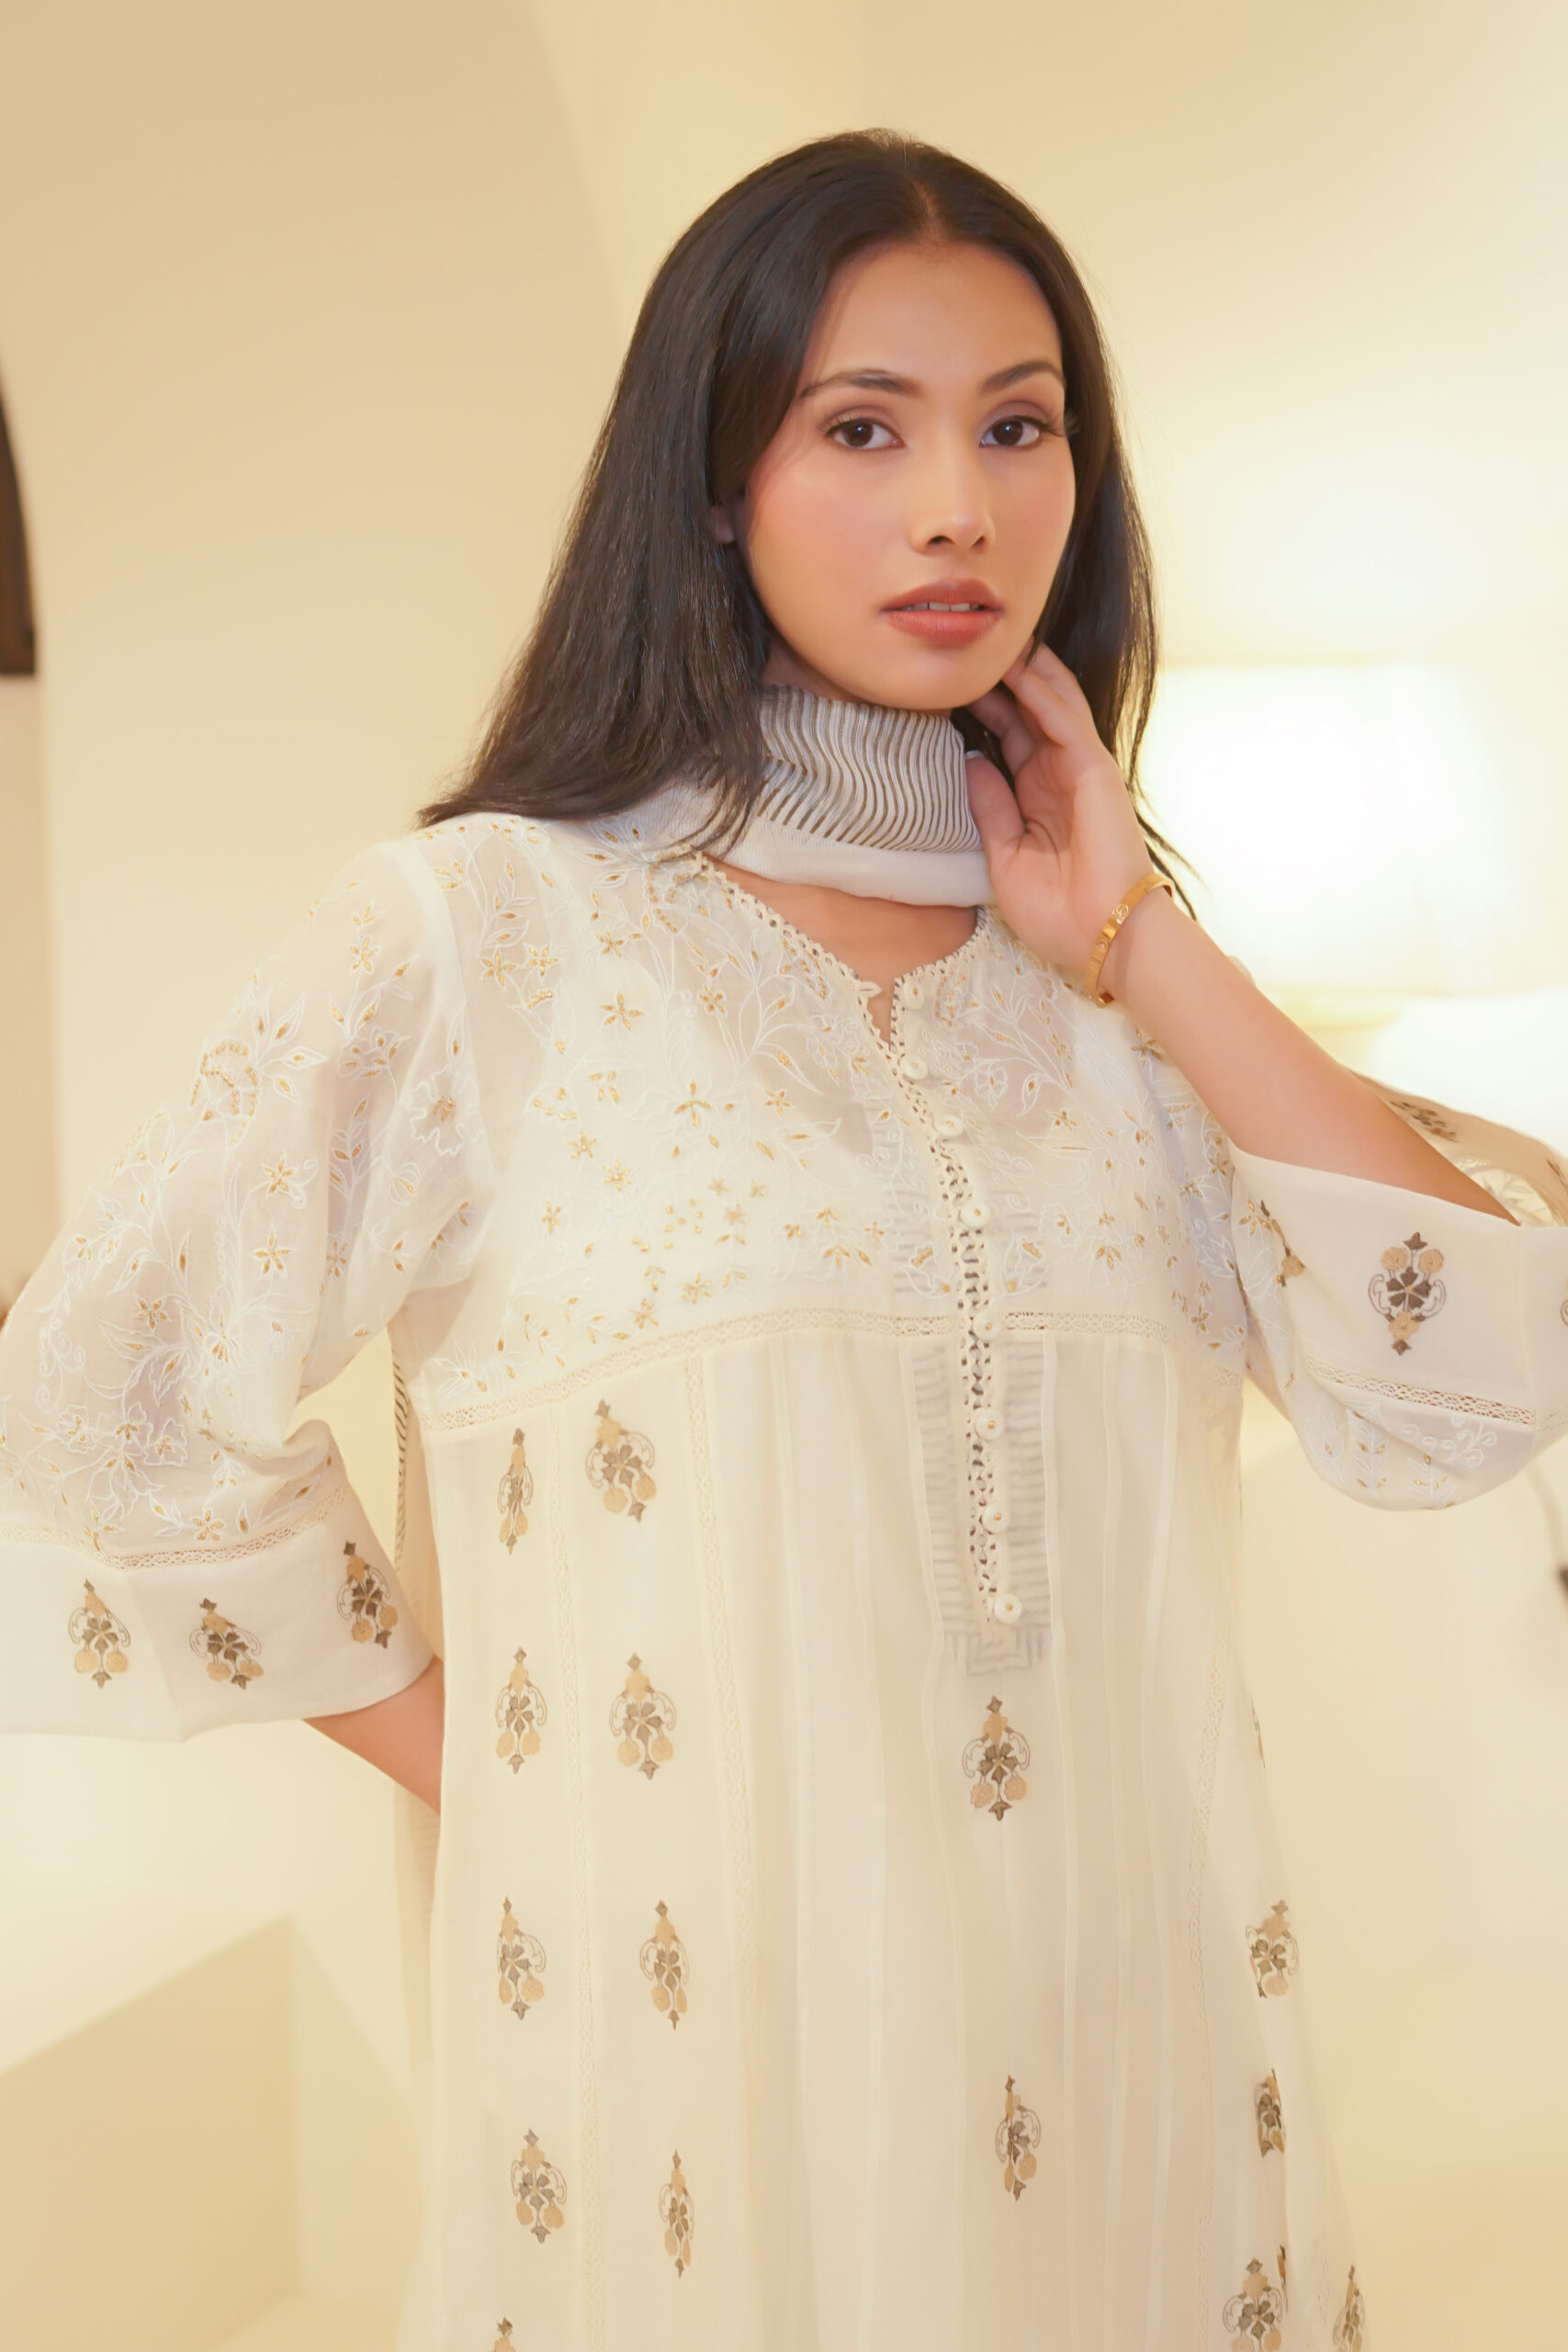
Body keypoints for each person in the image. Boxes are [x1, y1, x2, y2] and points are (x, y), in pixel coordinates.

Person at [3, 129, 1564, 2352]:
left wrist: (1145, 939)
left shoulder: (1108, 997)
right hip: (693, 2085)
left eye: (1015, 425)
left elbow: (1481, 1380)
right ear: (718, 479)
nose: (957, 507)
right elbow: (98, 1401)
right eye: (861, 427)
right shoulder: (483, 933)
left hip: (1132, 2047)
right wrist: (502, 1770)